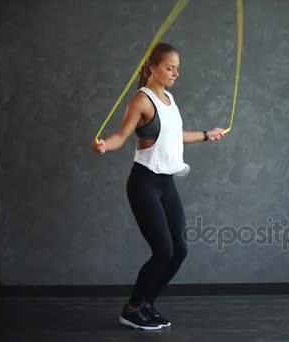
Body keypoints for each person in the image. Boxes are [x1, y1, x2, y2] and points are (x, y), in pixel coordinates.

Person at [90, 42, 226, 330]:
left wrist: (206, 134)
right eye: (170, 67)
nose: (176, 73)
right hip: (145, 183)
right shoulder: (142, 100)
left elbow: (173, 136)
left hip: (167, 184)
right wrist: (105, 146)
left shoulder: (169, 98)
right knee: (163, 251)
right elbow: (120, 135)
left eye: (178, 68)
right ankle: (131, 309)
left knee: (179, 251)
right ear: (152, 68)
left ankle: (146, 304)